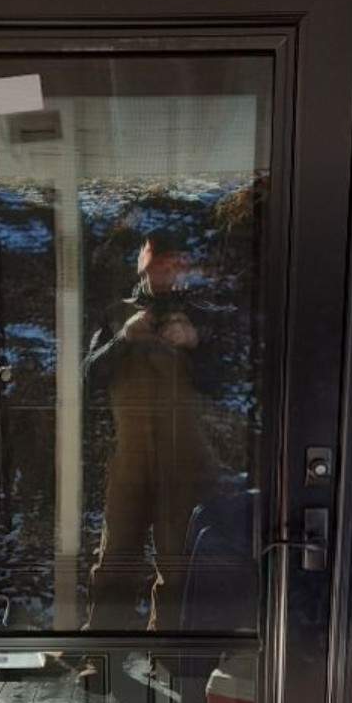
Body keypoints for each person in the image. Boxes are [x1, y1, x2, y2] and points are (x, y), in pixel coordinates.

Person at [81, 228, 221, 635]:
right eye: (157, 261)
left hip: (182, 463)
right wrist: (123, 339)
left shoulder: (200, 317)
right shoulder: (115, 315)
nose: (165, 270)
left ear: (184, 267)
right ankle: (101, 657)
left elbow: (223, 384)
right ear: (142, 264)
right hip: (129, 461)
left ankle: (170, 658)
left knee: (177, 565)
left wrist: (195, 344)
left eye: (173, 262)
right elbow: (90, 376)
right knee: (114, 562)